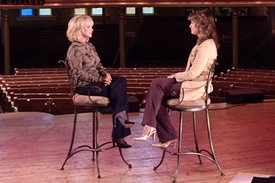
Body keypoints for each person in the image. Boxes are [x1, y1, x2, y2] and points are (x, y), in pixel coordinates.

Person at [134, 9, 219, 148]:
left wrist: (175, 76)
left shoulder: (206, 46)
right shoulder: (203, 44)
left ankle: (151, 128)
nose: (190, 25)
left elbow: (193, 74)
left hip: (195, 87)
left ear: (201, 26)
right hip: (191, 83)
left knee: (157, 86)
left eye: (192, 23)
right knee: (157, 91)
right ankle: (163, 134)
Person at [66, 15, 135, 148]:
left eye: (91, 26)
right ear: (79, 29)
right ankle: (120, 133)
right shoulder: (74, 49)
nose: (92, 29)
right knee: (118, 93)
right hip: (84, 87)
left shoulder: (90, 46)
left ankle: (119, 129)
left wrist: (106, 74)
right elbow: (77, 73)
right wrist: (100, 79)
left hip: (97, 83)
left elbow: (99, 65)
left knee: (120, 81)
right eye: (88, 27)